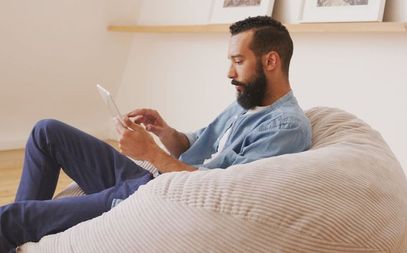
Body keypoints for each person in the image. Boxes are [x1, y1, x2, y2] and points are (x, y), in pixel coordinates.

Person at [0, 16, 312, 252]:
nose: (230, 73)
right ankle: (20, 241)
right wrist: (163, 130)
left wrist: (151, 153)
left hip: (164, 201)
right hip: (153, 182)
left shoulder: (284, 127)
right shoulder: (248, 104)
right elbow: (194, 144)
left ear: (271, 61)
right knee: (47, 132)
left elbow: (220, 193)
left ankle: (20, 229)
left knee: (11, 217)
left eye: (238, 61)